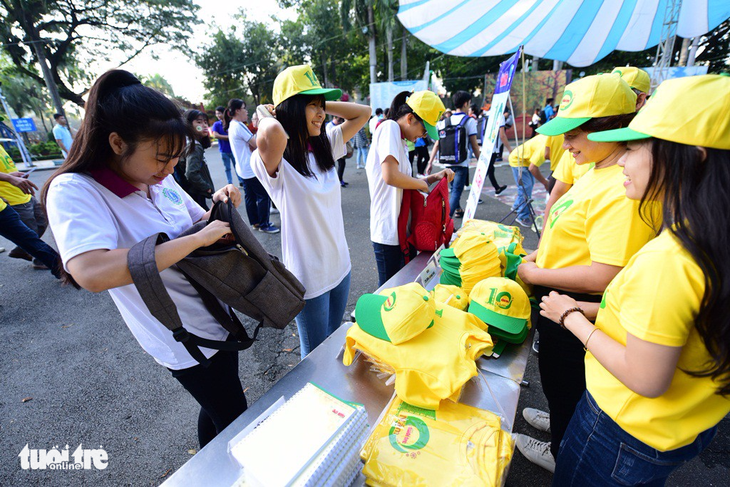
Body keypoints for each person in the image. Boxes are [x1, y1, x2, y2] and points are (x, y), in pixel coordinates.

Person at [542, 74, 730, 486]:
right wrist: (589, 308)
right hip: (677, 427)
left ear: (692, 158)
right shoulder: (708, 237)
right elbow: (667, 329)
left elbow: (646, 377)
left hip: (622, 431)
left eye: (636, 147)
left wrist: (571, 316)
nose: (624, 160)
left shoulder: (672, 258)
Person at [42, 69, 246, 449]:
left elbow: (194, 223)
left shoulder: (159, 177)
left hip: (215, 316)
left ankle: (207, 469)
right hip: (181, 335)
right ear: (118, 143)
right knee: (234, 414)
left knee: (218, 410)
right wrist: (196, 238)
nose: (170, 170)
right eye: (162, 159)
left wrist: (219, 204)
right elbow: (91, 270)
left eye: (174, 160)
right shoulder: (75, 190)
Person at [513, 74, 658, 473]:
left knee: (571, 387)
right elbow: (572, 230)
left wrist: (537, 274)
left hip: (578, 306)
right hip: (559, 297)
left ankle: (562, 450)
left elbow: (606, 274)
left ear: (611, 128)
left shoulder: (621, 187)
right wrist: (540, 256)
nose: (565, 144)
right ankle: (561, 423)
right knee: (562, 388)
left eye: (574, 133)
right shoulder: (596, 168)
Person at [251, 64, 370, 358]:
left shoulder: (326, 144)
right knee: (314, 358)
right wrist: (267, 113)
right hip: (309, 279)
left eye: (322, 106)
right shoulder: (274, 160)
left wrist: (317, 102)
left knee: (336, 346)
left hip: (340, 266)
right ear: (290, 109)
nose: (321, 113)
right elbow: (274, 132)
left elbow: (363, 113)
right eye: (311, 106)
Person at [366, 90, 454, 286]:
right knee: (389, 294)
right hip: (387, 231)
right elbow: (390, 176)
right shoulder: (389, 128)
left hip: (400, 230)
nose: (422, 136)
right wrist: (422, 184)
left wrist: (432, 178)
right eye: (424, 131)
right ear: (410, 118)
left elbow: (404, 179)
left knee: (401, 291)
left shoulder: (400, 139)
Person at [425, 91, 482, 218]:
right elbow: (474, 145)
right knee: (456, 192)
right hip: (461, 163)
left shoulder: (444, 122)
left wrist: (430, 162)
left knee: (453, 190)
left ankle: (458, 210)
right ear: (466, 104)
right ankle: (446, 221)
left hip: (446, 162)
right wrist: (481, 161)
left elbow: (437, 144)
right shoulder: (469, 121)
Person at [225, 98, 279, 234]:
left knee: (250, 197)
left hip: (242, 168)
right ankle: (264, 224)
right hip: (250, 169)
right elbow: (256, 143)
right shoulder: (239, 125)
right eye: (244, 108)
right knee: (263, 196)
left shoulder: (233, 125)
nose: (246, 112)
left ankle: (255, 222)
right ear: (237, 110)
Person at [0, 145, 53, 270]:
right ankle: (41, 260)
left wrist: (12, 175)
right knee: (30, 233)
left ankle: (22, 249)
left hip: (22, 192)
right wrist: (9, 178)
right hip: (10, 198)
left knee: (42, 219)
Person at [508, 134, 549, 227]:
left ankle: (517, 206)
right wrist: (545, 182)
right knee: (525, 188)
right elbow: (533, 168)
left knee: (528, 185)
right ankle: (522, 216)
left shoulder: (549, 138)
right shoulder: (543, 148)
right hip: (518, 160)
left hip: (525, 159)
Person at [179, 110, 215, 210]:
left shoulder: (186, 142)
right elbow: (191, 173)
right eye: (199, 122)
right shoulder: (195, 146)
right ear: (188, 125)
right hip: (195, 193)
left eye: (205, 122)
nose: (204, 125)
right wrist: (206, 187)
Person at [210, 105, 244, 187]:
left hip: (233, 149)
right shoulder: (216, 124)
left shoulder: (230, 122)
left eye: (219, 113)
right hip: (223, 150)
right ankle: (230, 183)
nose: (218, 115)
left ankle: (241, 181)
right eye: (216, 114)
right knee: (227, 168)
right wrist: (229, 137)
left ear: (223, 113)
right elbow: (215, 135)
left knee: (237, 166)